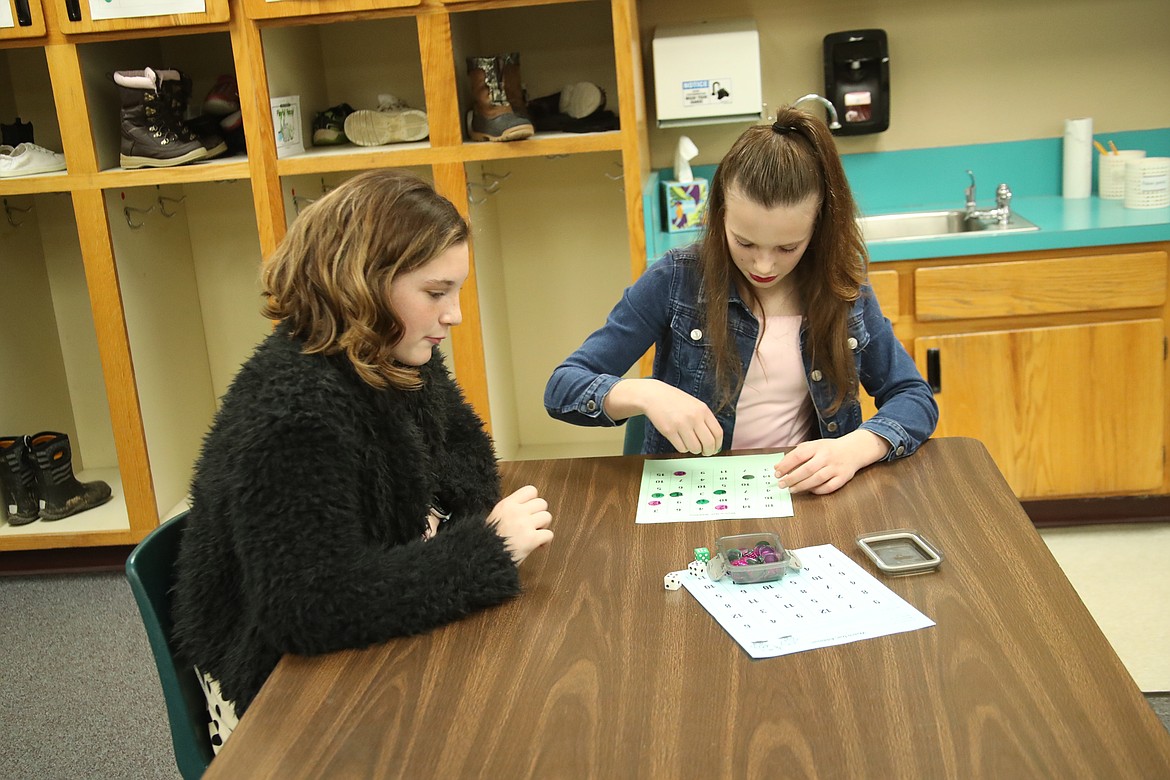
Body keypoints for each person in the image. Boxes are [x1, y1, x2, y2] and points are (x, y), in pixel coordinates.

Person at [171, 169, 553, 750]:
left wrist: (437, 527)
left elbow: (466, 455)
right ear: (361, 284)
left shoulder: (392, 358)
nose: (454, 314)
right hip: (276, 691)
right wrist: (483, 550)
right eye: (435, 293)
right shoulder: (294, 417)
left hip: (354, 633)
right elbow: (309, 608)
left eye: (456, 291)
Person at [544, 105, 938, 495]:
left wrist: (855, 448)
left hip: (799, 494)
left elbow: (914, 396)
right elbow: (562, 388)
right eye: (745, 242)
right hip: (695, 492)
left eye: (788, 247)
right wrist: (644, 393)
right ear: (720, 215)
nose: (763, 265)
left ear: (818, 228)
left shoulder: (842, 288)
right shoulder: (675, 278)